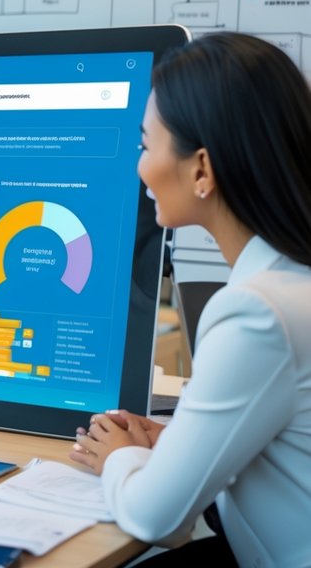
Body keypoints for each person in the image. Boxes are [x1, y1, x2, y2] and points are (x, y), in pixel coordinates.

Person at [68, 32, 311, 567]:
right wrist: (179, 438)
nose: (139, 166)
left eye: (145, 145)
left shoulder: (257, 312)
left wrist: (119, 457)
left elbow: (156, 518)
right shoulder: (292, 280)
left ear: (201, 169)